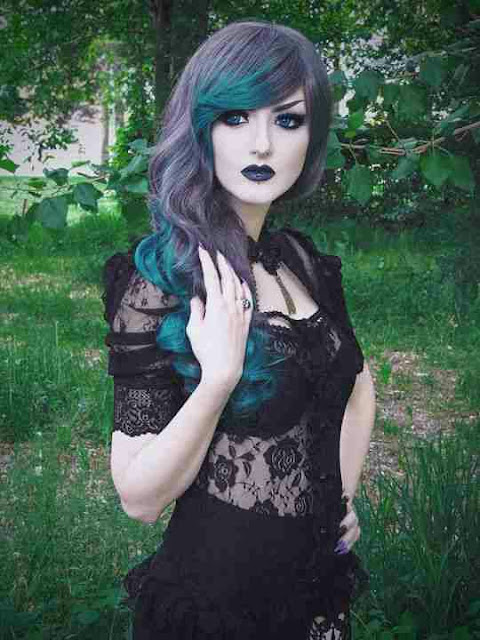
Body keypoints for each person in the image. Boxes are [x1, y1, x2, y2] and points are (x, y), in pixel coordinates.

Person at [103, 19, 376, 640]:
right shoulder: (162, 280)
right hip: (216, 609)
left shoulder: (299, 260)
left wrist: (339, 499)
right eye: (235, 118)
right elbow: (138, 498)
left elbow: (358, 386)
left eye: (288, 120)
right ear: (201, 128)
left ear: (312, 135)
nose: (262, 145)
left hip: (316, 597)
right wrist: (217, 381)